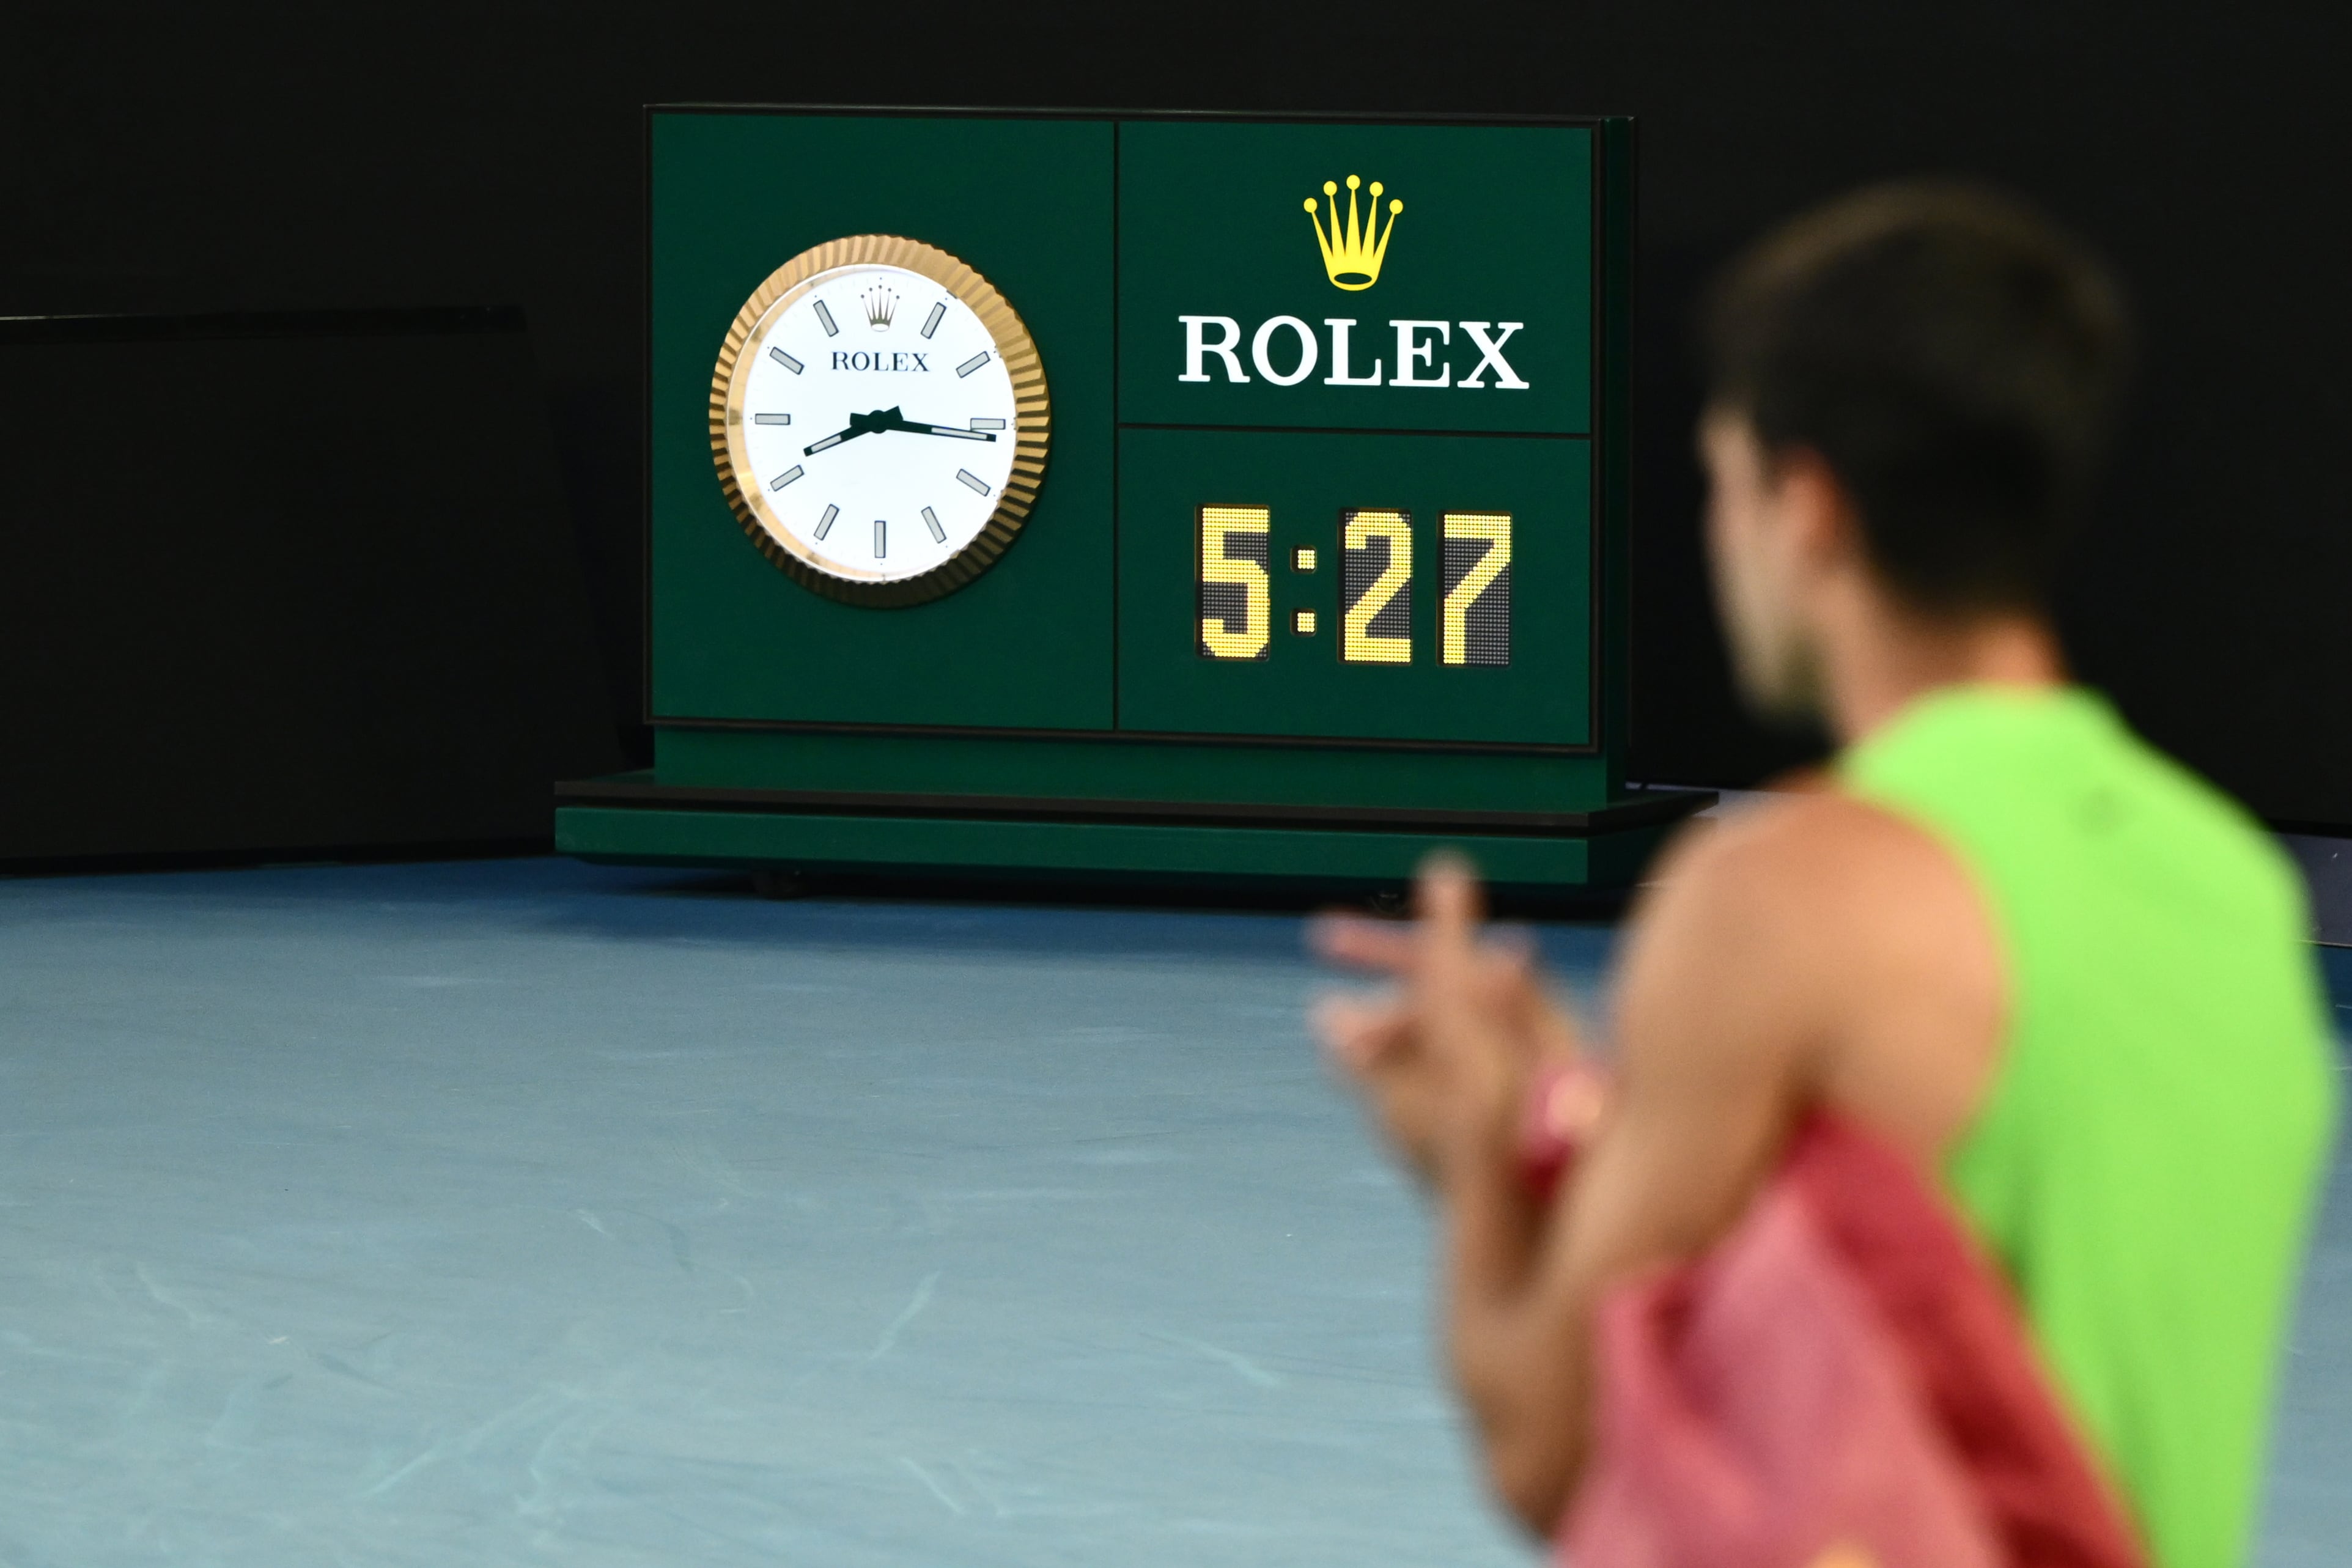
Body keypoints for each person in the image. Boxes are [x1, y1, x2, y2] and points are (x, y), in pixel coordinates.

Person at [1313, 183, 2339, 1568]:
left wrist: (1482, 1156)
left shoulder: (1776, 895)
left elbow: (1553, 1452)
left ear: (1805, 509)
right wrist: (1575, 1114)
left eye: (1721, 482)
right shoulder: (2233, 886)